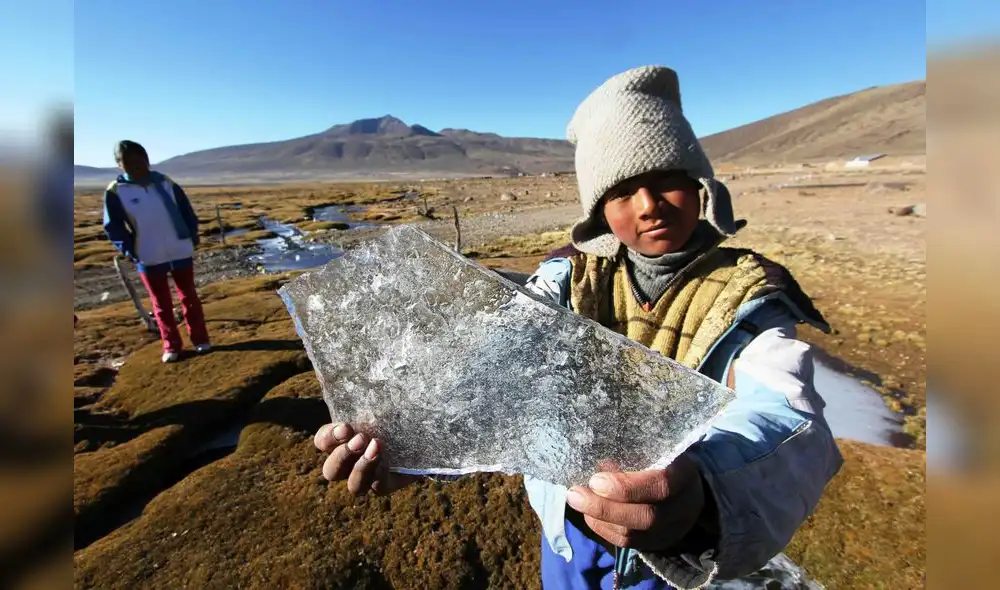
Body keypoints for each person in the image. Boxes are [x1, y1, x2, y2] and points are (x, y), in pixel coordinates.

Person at [312, 65, 843, 589]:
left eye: (667, 181)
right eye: (622, 191)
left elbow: (787, 415)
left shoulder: (749, 296)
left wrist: (706, 492)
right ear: (597, 210)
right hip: (566, 528)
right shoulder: (565, 282)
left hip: (668, 545)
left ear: (700, 186)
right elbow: (486, 369)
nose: (649, 206)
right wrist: (408, 447)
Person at [102, 140, 211, 363]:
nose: (136, 164)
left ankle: (200, 340)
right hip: (149, 254)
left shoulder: (166, 183)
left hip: (179, 249)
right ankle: (172, 345)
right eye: (128, 161)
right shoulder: (116, 191)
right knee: (161, 303)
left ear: (147, 159)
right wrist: (131, 250)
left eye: (139, 159)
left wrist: (192, 236)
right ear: (119, 165)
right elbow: (113, 226)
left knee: (189, 296)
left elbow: (187, 212)